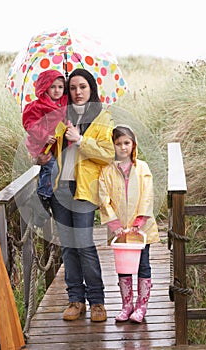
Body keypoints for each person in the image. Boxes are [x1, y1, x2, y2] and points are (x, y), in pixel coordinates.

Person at [37, 68, 115, 322]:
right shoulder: (60, 116)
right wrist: (42, 152)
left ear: (90, 88)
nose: (77, 92)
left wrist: (80, 139)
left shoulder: (103, 118)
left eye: (82, 87)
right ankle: (75, 300)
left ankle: (97, 302)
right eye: (72, 88)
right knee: (68, 247)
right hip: (60, 188)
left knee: (84, 245)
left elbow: (108, 154)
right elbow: (49, 152)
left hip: (84, 190)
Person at [98, 125, 160, 323]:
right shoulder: (106, 171)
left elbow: (148, 194)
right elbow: (103, 198)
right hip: (120, 230)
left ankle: (142, 307)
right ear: (113, 146)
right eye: (118, 144)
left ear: (133, 144)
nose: (123, 147)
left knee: (143, 265)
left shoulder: (142, 168)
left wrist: (140, 220)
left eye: (127, 143)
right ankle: (127, 305)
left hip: (140, 230)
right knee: (123, 266)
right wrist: (114, 223)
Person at [22, 69, 67, 213]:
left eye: (60, 87)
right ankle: (41, 197)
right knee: (51, 167)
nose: (57, 90)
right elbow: (30, 125)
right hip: (41, 144)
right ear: (44, 88)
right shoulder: (37, 106)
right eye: (52, 87)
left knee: (50, 169)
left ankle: (44, 196)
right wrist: (44, 136)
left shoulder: (62, 104)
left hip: (54, 145)